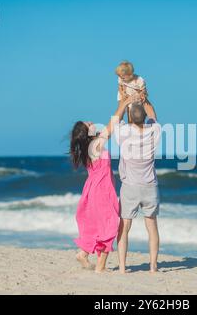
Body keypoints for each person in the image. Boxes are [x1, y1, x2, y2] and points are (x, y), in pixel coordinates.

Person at [69, 97, 132, 273]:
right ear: (87, 132)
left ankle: (83, 253)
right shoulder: (96, 144)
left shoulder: (89, 148)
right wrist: (124, 104)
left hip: (93, 189)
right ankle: (101, 267)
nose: (91, 122)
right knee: (109, 225)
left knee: (99, 225)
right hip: (102, 191)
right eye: (87, 124)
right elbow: (112, 124)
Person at [114, 101, 161, 273]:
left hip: (130, 187)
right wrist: (144, 99)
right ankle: (153, 266)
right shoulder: (153, 132)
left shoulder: (124, 133)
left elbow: (116, 118)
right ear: (144, 118)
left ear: (130, 118)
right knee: (152, 226)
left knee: (124, 227)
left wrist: (124, 102)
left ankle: (122, 267)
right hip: (150, 186)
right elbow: (153, 115)